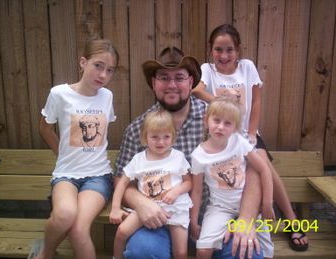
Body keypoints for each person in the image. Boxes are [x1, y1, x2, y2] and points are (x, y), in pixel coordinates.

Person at [114, 46, 264, 259]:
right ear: (153, 83)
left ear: (191, 81)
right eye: (164, 77)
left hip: (221, 217)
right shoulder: (138, 129)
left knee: (247, 253)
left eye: (180, 77)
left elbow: (254, 169)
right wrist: (140, 202)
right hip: (161, 221)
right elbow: (121, 179)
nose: (172, 85)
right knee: (142, 252)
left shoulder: (218, 119)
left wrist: (246, 218)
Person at [192, 23, 308, 252]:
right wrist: (221, 103)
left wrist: (252, 133)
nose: (224, 55)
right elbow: (196, 90)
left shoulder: (246, 67)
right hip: (223, 136)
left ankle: (291, 220)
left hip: (247, 133)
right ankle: (245, 220)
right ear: (210, 50)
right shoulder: (208, 69)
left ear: (238, 50)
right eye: (218, 49)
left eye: (229, 50)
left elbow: (255, 101)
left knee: (262, 164)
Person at [32, 38, 119, 259]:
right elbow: (45, 128)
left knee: (79, 230)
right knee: (64, 215)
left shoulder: (107, 97)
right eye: (98, 66)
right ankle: (46, 252)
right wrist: (62, 155)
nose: (103, 75)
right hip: (66, 176)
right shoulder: (59, 94)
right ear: (83, 62)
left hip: (98, 176)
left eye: (109, 70)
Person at [190, 96, 274, 259]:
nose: (220, 127)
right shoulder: (199, 156)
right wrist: (193, 221)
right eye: (216, 120)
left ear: (235, 128)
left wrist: (267, 203)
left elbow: (264, 169)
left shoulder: (239, 142)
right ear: (206, 120)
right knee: (203, 248)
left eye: (227, 123)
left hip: (249, 206)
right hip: (220, 207)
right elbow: (197, 191)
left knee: (265, 251)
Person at [110, 109, 193, 259]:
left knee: (180, 252)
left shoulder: (177, 157)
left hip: (175, 208)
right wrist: (115, 208)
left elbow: (188, 182)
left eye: (166, 137)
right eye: (154, 137)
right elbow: (122, 183)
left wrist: (176, 191)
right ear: (145, 137)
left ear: (173, 137)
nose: (161, 142)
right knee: (122, 231)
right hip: (147, 209)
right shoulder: (139, 159)